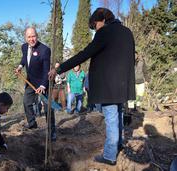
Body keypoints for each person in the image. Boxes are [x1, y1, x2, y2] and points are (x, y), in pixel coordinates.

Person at [49, 7, 135, 165]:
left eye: (95, 25)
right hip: (123, 84)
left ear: (101, 19)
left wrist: (59, 69)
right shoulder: (127, 32)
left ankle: (109, 155)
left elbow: (84, 53)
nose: (95, 30)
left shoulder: (105, 33)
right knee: (119, 114)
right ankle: (119, 144)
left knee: (111, 118)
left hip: (108, 85)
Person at [15, 27, 56, 141]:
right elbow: (25, 58)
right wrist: (20, 67)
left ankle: (52, 132)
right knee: (26, 102)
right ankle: (32, 123)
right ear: (25, 38)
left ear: (37, 36)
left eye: (33, 36)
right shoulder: (24, 47)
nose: (31, 39)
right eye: (29, 37)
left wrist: (43, 86)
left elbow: (46, 70)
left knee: (48, 108)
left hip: (44, 82)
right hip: (30, 81)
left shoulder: (45, 50)